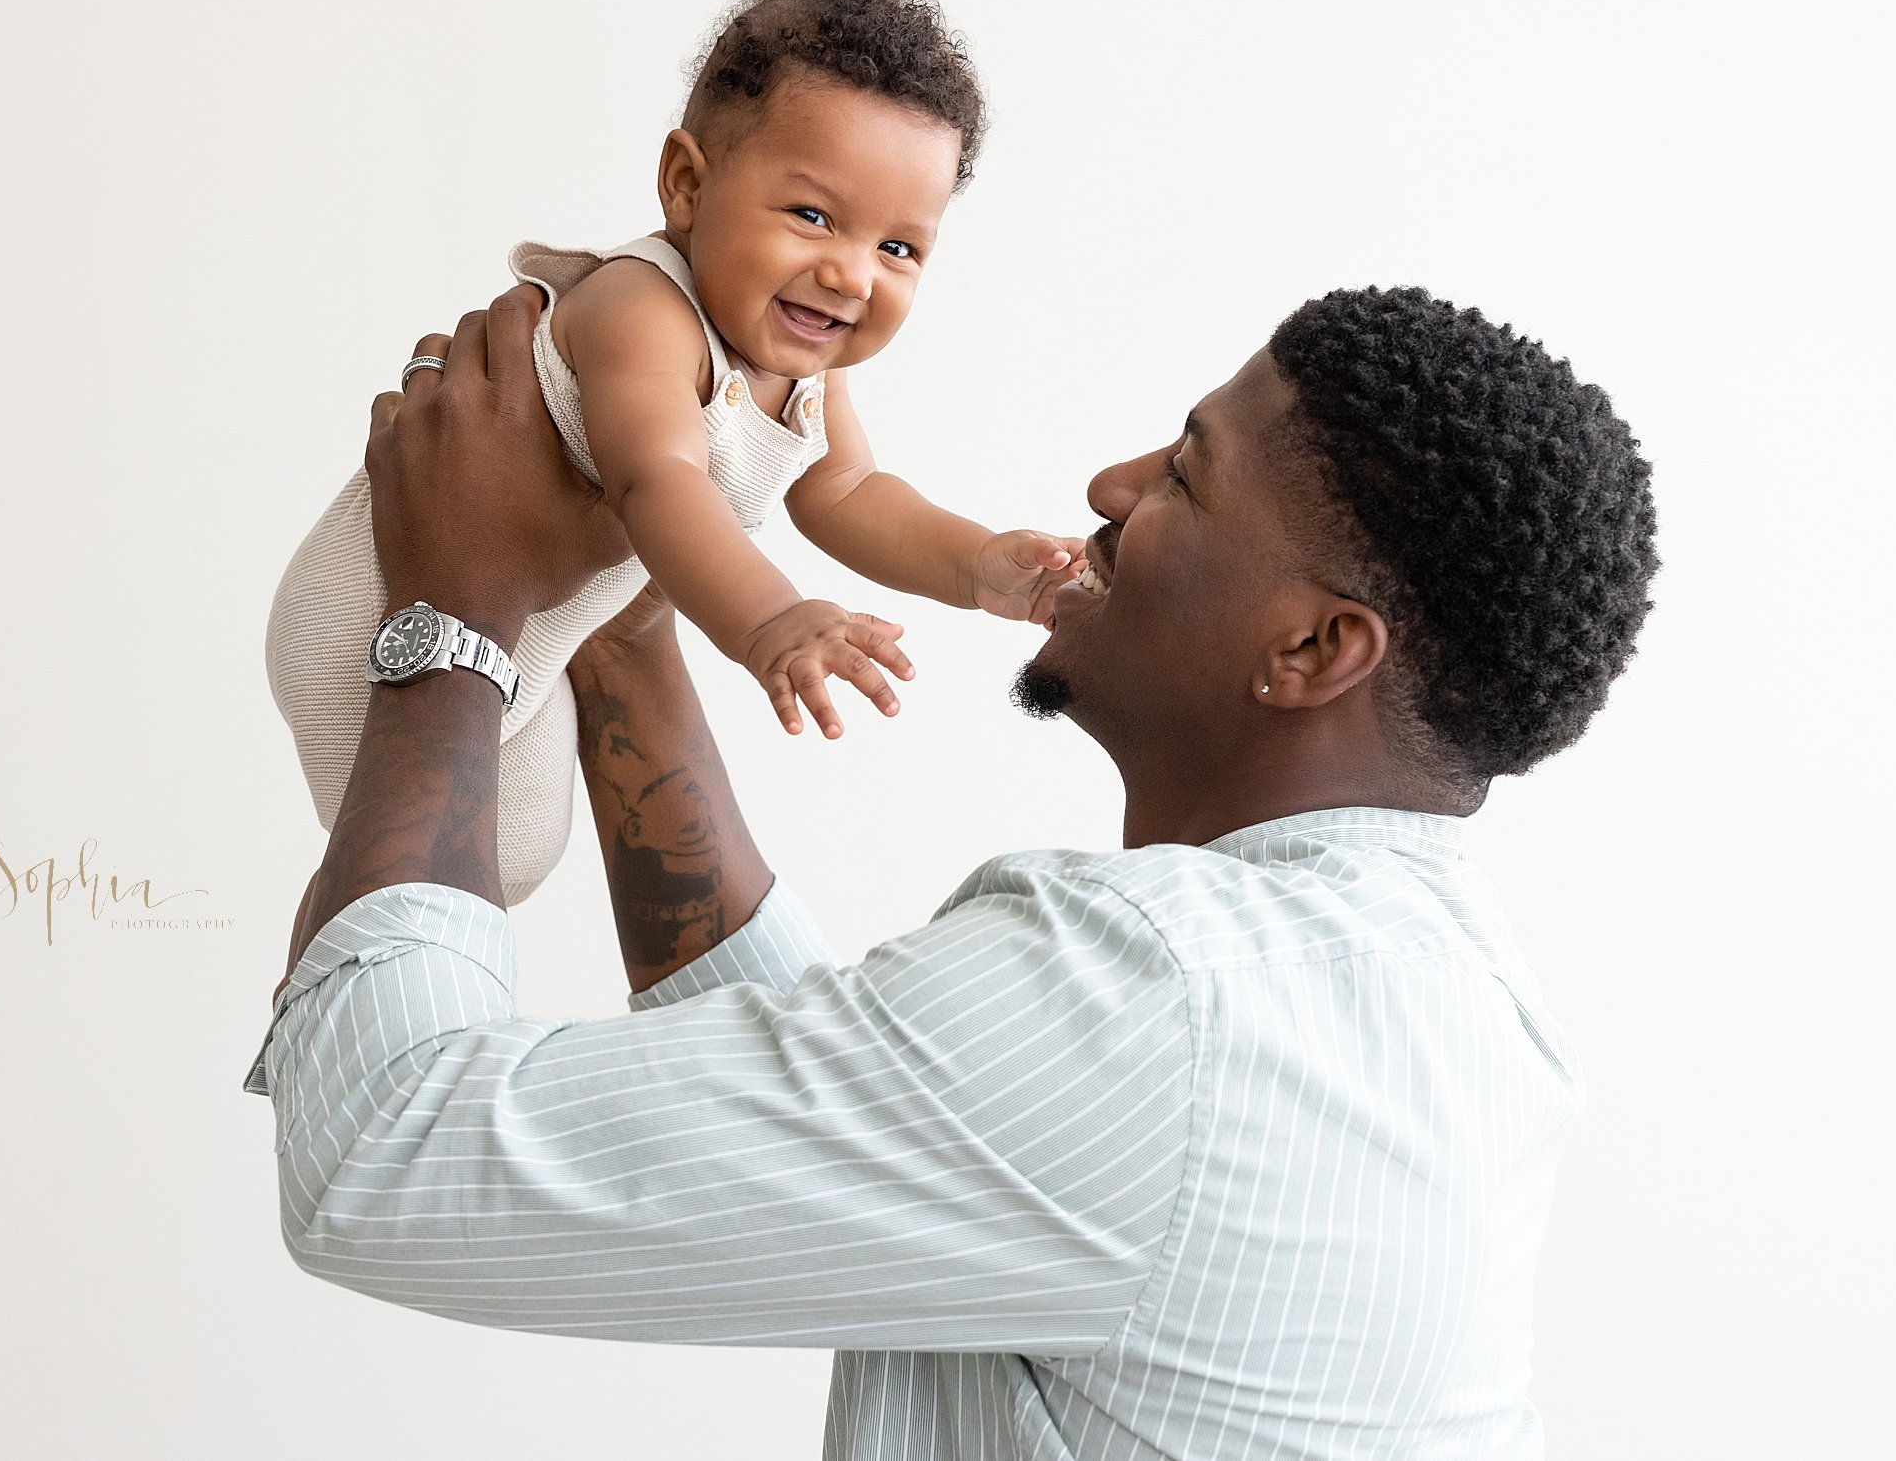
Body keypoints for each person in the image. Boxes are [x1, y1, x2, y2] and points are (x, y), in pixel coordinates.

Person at [244, 279, 1659, 1460]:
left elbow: (380, 1149)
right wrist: (622, 603)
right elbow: (862, 1104)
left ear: (1311, 651)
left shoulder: (1160, 993)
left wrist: (458, 607)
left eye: (1182, 472)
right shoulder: (1454, 994)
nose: (1107, 488)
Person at [262, 0, 1082, 915]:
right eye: (813, 215)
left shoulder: (803, 363)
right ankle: (326, 974)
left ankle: (349, 948)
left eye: (897, 246)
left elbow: (851, 492)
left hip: (527, 628)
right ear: (687, 185)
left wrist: (978, 565)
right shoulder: (644, 309)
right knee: (426, 865)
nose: (853, 274)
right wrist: (769, 620)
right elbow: (658, 480)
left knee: (518, 857)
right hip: (374, 614)